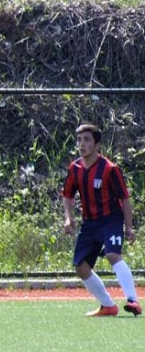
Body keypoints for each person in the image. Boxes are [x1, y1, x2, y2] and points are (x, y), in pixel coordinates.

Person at [62, 123, 141, 317]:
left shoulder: (109, 169)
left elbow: (125, 198)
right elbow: (68, 195)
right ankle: (108, 306)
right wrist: (68, 218)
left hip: (110, 220)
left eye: (87, 140)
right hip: (90, 223)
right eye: (79, 140)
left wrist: (129, 227)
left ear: (97, 145)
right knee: (81, 267)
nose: (82, 144)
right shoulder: (75, 168)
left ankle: (133, 300)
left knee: (112, 254)